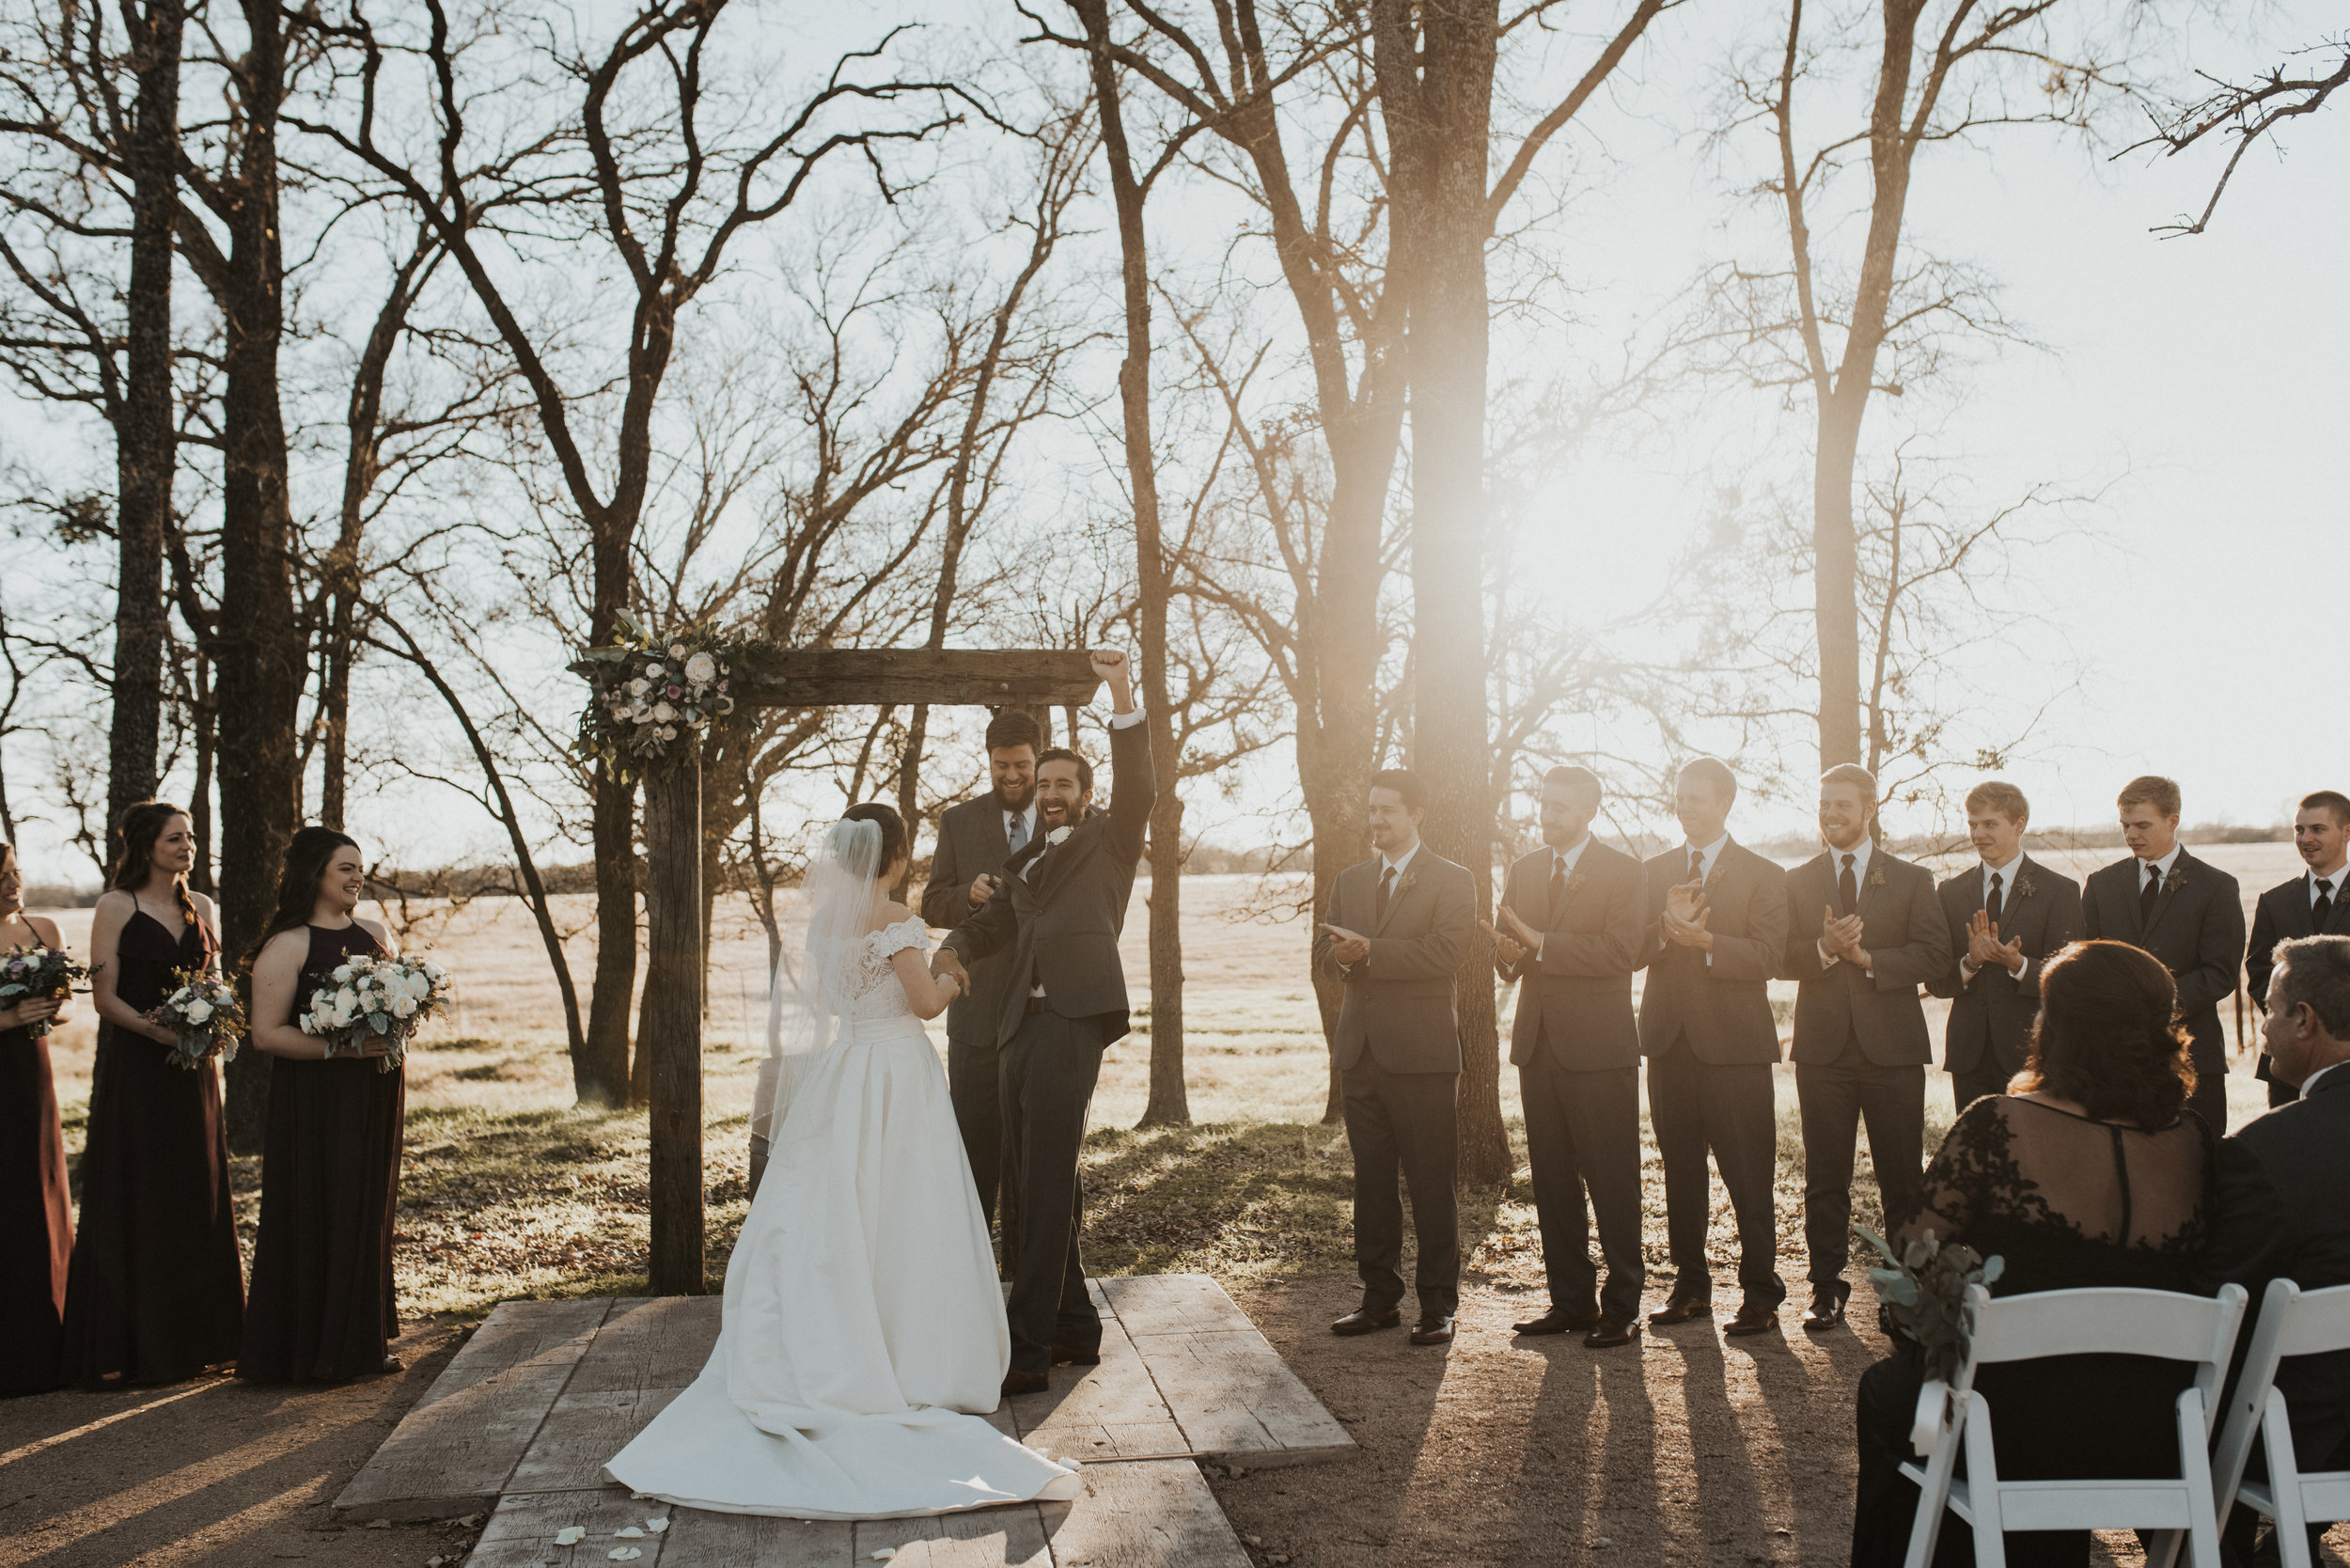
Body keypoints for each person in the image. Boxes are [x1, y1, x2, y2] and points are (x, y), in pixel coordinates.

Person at [609, 805, 1079, 1517]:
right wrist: (954, 973)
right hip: (897, 1073)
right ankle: (911, 1353)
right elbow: (923, 1004)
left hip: (847, 1068)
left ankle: (838, 1338)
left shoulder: (825, 923)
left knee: (842, 1213)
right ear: (895, 853)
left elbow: (838, 1002)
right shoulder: (894, 914)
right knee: (906, 1210)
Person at [1849, 941, 2219, 1568]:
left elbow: (1905, 1277)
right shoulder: (2194, 1140)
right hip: (2157, 1432)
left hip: (2013, 1433)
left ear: (2062, 1028)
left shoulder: (1999, 1124)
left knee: (1890, 1393)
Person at [932, 651, 1152, 1394]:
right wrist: (951, 954)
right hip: (1011, 1027)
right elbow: (990, 925)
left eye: (1064, 783)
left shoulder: (1112, 842)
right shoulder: (1026, 860)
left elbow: (1141, 780)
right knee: (1031, 1181)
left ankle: (1024, 1352)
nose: (1051, 792)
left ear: (1085, 795)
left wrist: (1121, 689)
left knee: (1046, 1179)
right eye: (1045, 783)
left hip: (1072, 1019)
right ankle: (1074, 1327)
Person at [58, 801, 243, 1388]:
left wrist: (213, 1023)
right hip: (139, 1069)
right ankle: (135, 1347)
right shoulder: (116, 906)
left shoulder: (204, 906)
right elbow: (104, 998)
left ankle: (203, 1340)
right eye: (174, 838)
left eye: (189, 837)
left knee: (196, 1186)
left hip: (193, 1072)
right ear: (145, 846)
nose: (186, 846)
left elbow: (213, 983)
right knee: (143, 1190)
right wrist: (156, 1029)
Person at [1783, 765, 1950, 1332]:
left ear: (1870, 808)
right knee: (1825, 1176)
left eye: (1843, 806)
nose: (1832, 815)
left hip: (1893, 1053)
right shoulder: (1799, 879)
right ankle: (1825, 1289)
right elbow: (1780, 957)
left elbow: (1933, 955)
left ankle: (1904, 1289)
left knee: (1901, 1176)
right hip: (1823, 1053)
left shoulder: (1910, 879)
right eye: (1825, 804)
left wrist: (1869, 961)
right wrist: (1824, 950)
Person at [239, 827, 409, 1382]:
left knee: (367, 1207)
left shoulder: (376, 933)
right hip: (316, 1098)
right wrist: (344, 1047)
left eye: (360, 868)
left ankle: (362, 1339)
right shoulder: (288, 944)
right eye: (345, 868)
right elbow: (265, 1035)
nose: (358, 877)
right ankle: (315, 1347)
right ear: (315, 874)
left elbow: (400, 1008)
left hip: (376, 1089)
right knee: (322, 1205)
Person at [1314, 768, 1476, 1347]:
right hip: (1361, 1054)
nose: (1376, 820)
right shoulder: (1350, 879)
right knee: (1372, 1183)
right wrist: (1347, 960)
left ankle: (1438, 1305)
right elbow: (1323, 956)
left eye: (1388, 810)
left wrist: (1371, 952)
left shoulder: (1453, 880)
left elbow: (1447, 952)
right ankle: (1378, 1298)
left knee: (1432, 1183)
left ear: (1417, 815)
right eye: (1373, 809)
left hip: (1424, 1056)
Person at [1485, 766, 1647, 1348]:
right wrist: (1506, 953)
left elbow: (1622, 951)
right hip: (1538, 1046)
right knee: (1553, 1182)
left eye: (1559, 807)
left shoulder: (1625, 872)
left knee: (1613, 1179)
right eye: (1543, 804)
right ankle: (1570, 1301)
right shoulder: (1527, 868)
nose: (1547, 815)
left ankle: (1624, 1307)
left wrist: (1541, 943)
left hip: (1601, 1049)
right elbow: (1514, 957)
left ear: (1589, 810)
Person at [2207, 933, 2350, 1568]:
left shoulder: (2268, 1149)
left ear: (2304, 1018)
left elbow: (2221, 1308)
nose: (2261, 1026)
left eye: (2268, 1007)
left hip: (2306, 1437)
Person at [1637, 757, 1791, 1337]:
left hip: (1735, 1049)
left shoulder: (1763, 873)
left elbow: (1771, 956)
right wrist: (1661, 929)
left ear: (1725, 802)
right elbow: (1630, 947)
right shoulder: (1652, 872)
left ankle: (1761, 1292)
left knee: (1748, 1172)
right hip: (1668, 1042)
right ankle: (1691, 1286)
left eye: (1696, 797)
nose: (1684, 806)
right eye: (1679, 796)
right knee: (1680, 1170)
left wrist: (1704, 941)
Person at [919, 707, 1043, 1240]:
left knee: (1037, 1167)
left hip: (1046, 1014)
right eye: (1000, 766)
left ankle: (1029, 1296)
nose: (1011, 776)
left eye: (1020, 765)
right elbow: (931, 902)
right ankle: (969, 1290)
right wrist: (964, 897)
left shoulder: (1065, 818)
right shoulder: (959, 821)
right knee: (973, 1161)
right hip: (976, 1019)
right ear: (987, 761)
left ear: (1037, 760)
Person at [2081, 776, 2246, 1134]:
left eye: (2142, 825)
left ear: (2173, 820)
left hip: (2191, 1053)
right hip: (2115, 1055)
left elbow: (2220, 972)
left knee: (2197, 1165)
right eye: (2125, 825)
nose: (2131, 834)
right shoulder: (2101, 884)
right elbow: (2086, 964)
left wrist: (2156, 1008)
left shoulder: (2216, 886)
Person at [1926, 781, 2083, 1114]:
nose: (1978, 833)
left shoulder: (2060, 891)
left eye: (1989, 824)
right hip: (1969, 1055)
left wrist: (2019, 964)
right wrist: (1970, 962)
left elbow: (2072, 982)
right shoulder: (1950, 892)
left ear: (2019, 824)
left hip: (2033, 1053)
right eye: (1972, 824)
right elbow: (1936, 980)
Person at [0, 841, 74, 1395]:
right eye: (0, 877)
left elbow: (67, 1002)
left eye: (15, 873)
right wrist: (7, 1017)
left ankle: (48, 1342)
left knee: (38, 1190)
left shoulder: (43, 926)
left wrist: (47, 1008)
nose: (12, 884)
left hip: (31, 1072)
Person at [2243, 792, 2350, 1110]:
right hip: (2287, 1063)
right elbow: (2258, 972)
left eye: (2318, 829)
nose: (2306, 838)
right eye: (2299, 829)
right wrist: (2290, 1025)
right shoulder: (2275, 901)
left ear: (2347, 832)